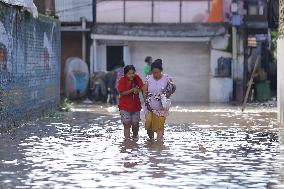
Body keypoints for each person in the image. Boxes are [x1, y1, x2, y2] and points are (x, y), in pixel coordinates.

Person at [144, 59, 176, 142]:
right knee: (149, 125)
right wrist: (145, 101)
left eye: (157, 72)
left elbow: (173, 88)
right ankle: (151, 141)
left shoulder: (166, 78)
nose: (155, 74)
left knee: (160, 126)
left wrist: (169, 94)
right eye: (154, 72)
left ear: (161, 71)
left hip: (161, 107)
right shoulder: (148, 78)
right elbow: (145, 91)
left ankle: (159, 144)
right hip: (150, 106)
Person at [117, 65, 145, 139]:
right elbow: (122, 93)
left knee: (135, 124)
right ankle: (127, 141)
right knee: (126, 124)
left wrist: (146, 100)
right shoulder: (122, 80)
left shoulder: (137, 78)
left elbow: (143, 88)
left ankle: (135, 138)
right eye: (129, 73)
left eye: (133, 73)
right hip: (124, 106)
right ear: (125, 74)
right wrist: (132, 90)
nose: (131, 75)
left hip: (135, 106)